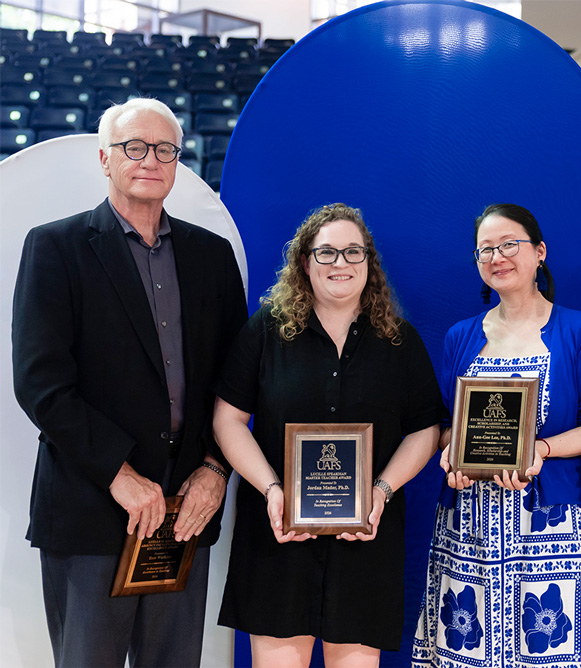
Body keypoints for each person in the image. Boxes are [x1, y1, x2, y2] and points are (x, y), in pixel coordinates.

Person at [11, 97, 248, 666]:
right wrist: (118, 473)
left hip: (185, 512)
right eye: (134, 147)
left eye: (165, 149)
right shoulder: (55, 247)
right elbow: (40, 383)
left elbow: (237, 379)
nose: (150, 160)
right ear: (104, 158)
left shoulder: (212, 255)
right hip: (91, 508)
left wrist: (215, 471)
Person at [212, 203, 444, 667]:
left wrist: (382, 489)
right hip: (278, 539)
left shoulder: (400, 340)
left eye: (352, 252)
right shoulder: (266, 332)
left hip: (366, 544)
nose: (341, 263)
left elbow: (426, 429)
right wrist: (271, 489)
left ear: (368, 262)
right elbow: (227, 420)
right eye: (327, 253)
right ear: (305, 262)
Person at [412, 203, 581, 668]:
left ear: (539, 252)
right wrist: (451, 457)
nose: (497, 256)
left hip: (549, 524)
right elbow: (446, 426)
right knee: (466, 651)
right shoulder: (461, 336)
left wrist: (540, 449)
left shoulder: (576, 330)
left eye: (509, 245)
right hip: (469, 523)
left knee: (547, 651)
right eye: (486, 249)